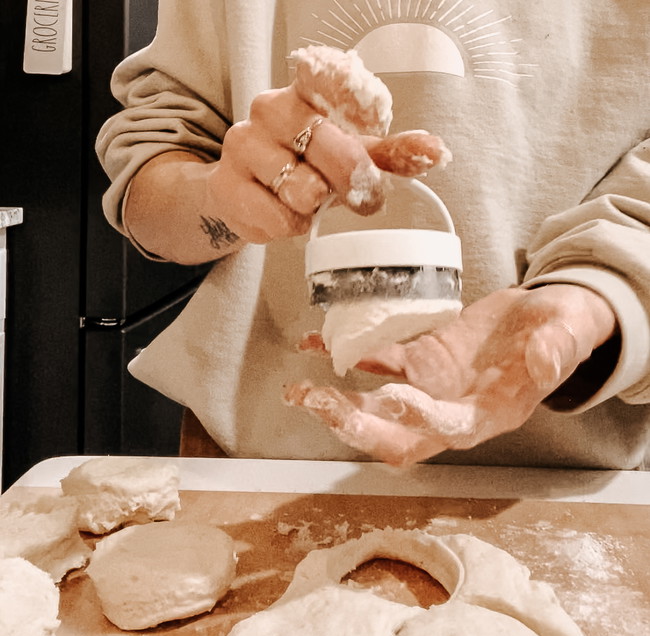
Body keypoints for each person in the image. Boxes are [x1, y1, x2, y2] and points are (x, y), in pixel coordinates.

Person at [96, 0, 650, 470]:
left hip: (578, 471)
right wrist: (223, 198)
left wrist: (593, 295)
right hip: (264, 461)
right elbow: (151, 173)